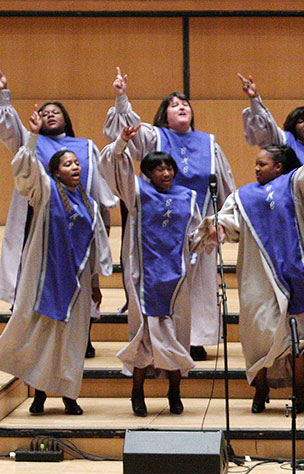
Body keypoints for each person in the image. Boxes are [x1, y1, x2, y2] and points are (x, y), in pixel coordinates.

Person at [103, 67, 236, 361]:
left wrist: (226, 219)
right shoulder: (155, 137)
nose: (182, 107)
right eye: (174, 105)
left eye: (185, 104)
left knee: (200, 282)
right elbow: (128, 136)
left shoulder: (209, 143)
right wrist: (121, 97)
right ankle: (159, 339)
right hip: (159, 227)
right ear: (164, 115)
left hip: (198, 225)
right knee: (164, 281)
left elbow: (224, 183)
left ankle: (195, 338)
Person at [0, 111, 112, 414]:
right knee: (42, 340)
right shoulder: (45, 192)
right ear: (56, 172)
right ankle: (38, 396)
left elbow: (93, 249)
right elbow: (25, 170)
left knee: (72, 344)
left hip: (75, 284)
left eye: (76, 163)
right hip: (46, 281)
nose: (75, 167)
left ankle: (69, 397)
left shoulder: (89, 204)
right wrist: (34, 137)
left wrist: (93, 284)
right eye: (67, 164)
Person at [213, 144, 304, 414]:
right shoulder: (242, 196)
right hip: (257, 277)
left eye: (262, 164)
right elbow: (227, 223)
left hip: (294, 272)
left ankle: (300, 389)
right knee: (259, 335)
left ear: (278, 167)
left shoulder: (293, 185)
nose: (256, 169)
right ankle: (260, 389)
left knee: (300, 336)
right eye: (256, 164)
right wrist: (217, 228)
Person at [0, 70, 116, 358]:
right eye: (44, 112)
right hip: (37, 225)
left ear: (66, 119)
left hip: (76, 227)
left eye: (56, 112)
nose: (50, 115)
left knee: (84, 283)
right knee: (36, 282)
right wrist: (3, 94)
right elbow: (7, 128)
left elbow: (98, 191)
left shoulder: (86, 148)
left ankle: (83, 337)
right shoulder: (30, 141)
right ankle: (34, 341)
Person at [101, 126, 202, 416]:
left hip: (176, 280)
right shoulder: (136, 193)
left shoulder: (187, 197)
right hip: (143, 277)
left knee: (174, 338)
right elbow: (113, 166)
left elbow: (194, 236)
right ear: (148, 173)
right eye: (158, 169)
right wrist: (121, 141)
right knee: (142, 338)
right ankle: (137, 393)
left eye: (169, 168)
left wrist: (208, 234)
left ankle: (174, 392)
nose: (166, 173)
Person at [238, 74, 304, 301]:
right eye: (301, 120)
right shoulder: (285, 143)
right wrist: (254, 99)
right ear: (292, 125)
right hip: (291, 217)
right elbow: (267, 130)